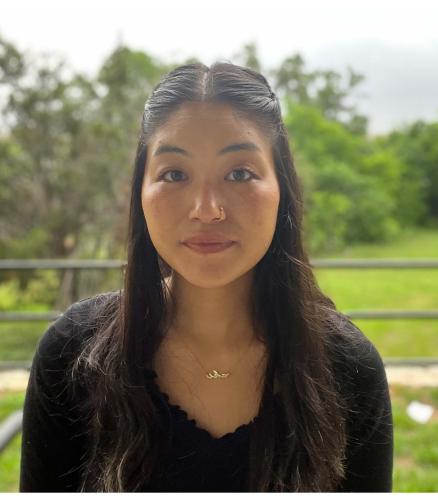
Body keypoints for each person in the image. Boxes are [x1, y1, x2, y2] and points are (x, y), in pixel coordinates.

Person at [19, 61, 393, 492]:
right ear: (141, 193)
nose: (206, 208)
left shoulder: (347, 368)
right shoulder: (72, 356)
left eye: (239, 173)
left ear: (282, 191)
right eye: (174, 174)